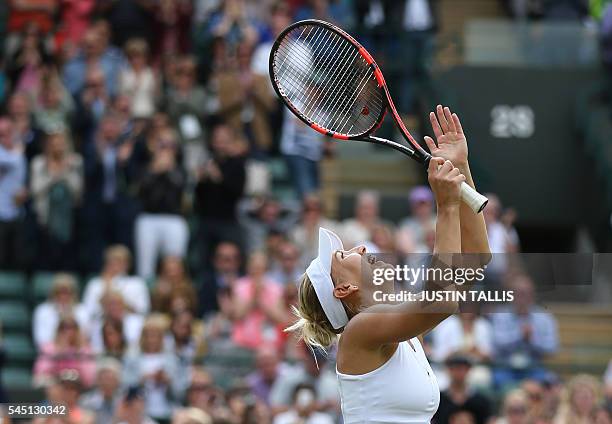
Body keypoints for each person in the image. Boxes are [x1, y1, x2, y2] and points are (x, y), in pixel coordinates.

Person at [287, 106, 491, 423]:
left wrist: (459, 166)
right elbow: (441, 302)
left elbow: (477, 257)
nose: (361, 246)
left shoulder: (403, 332)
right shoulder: (359, 332)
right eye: (344, 255)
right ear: (343, 288)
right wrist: (446, 206)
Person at [134, 127, 188, 279]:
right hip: (148, 218)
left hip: (174, 219)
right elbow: (138, 190)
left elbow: (181, 188)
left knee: (175, 264)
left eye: (170, 145)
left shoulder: (181, 168)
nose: (166, 150)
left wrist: (170, 170)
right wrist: (154, 170)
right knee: (145, 267)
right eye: (162, 145)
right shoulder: (145, 166)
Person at [490, 274, 558, 390]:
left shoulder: (545, 318)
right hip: (505, 367)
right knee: (496, 381)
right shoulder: (500, 315)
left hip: (534, 368)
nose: (522, 298)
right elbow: (496, 344)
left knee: (551, 383)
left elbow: (552, 348)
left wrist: (532, 339)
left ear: (532, 295)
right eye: (518, 293)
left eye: (526, 293)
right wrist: (519, 336)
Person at [30, 131, 82, 270]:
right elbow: (36, 190)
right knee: (45, 255)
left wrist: (65, 170)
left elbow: (78, 191)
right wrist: (53, 175)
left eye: (60, 144)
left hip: (69, 219)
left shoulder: (75, 162)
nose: (57, 147)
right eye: (54, 144)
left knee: (66, 257)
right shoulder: (39, 163)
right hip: (45, 218)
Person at [82, 245, 150, 321]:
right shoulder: (95, 283)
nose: (116, 265)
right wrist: (106, 287)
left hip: (130, 322)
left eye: (120, 261)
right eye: (112, 261)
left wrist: (117, 303)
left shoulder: (137, 283)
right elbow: (89, 311)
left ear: (128, 264)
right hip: (101, 322)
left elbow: (143, 310)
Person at [33, 315, 96, 388]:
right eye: (63, 328)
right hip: (55, 383)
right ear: (58, 330)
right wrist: (59, 352)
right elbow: (40, 371)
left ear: (77, 330)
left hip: (78, 384)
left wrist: (77, 355)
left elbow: (89, 377)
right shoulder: (48, 348)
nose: (68, 331)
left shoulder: (85, 349)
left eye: (72, 328)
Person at [33, 273, 88, 349]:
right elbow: (41, 341)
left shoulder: (82, 311)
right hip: (51, 355)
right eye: (59, 292)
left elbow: (84, 339)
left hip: (78, 355)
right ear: (53, 293)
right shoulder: (42, 311)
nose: (63, 296)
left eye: (67, 292)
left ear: (73, 294)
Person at [0, 116, 27, 270]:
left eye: (8, 133)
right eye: (1, 134)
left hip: (16, 212)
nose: (5, 138)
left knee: (19, 260)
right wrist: (18, 150)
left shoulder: (18, 152)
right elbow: (10, 162)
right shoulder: (16, 153)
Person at [433, 354, 492, 424]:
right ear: (448, 370)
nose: (460, 373)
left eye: (463, 369)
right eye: (456, 368)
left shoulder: (481, 401)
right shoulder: (439, 399)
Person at [79, 358, 123, 424]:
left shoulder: (123, 402)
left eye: (110, 379)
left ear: (117, 381)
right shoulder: (87, 401)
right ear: (98, 381)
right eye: (104, 379)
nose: (107, 383)